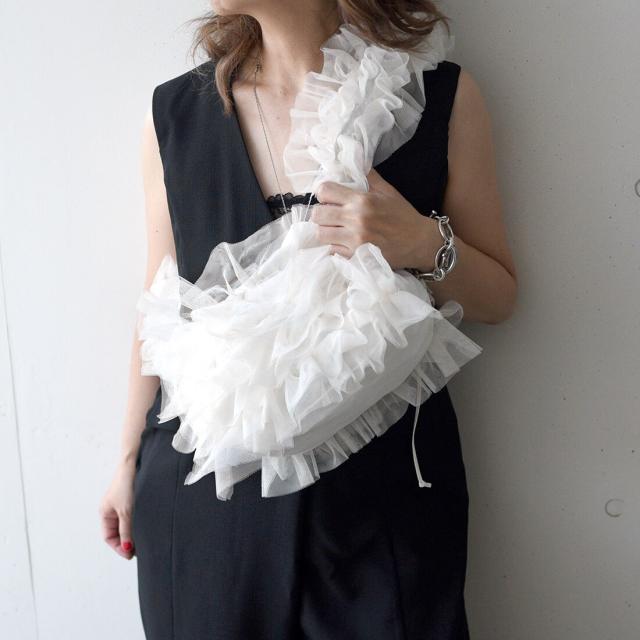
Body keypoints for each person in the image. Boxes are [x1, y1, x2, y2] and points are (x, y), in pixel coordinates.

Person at [99, 1, 518, 638]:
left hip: (384, 501)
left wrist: (420, 241)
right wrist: (127, 462)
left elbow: (498, 298)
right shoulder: (175, 116)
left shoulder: (436, 98)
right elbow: (159, 309)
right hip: (209, 495)